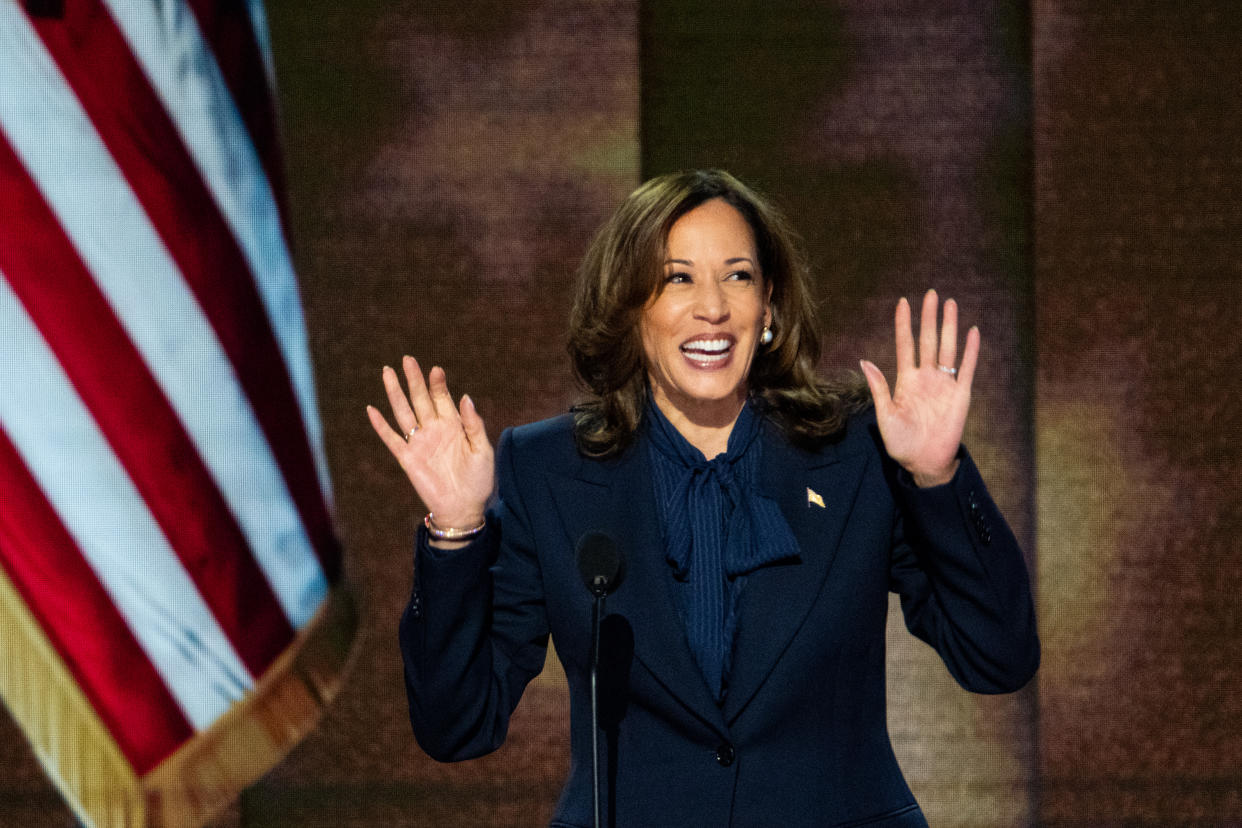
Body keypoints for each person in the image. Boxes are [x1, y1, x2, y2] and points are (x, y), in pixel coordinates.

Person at [367, 169, 1039, 827]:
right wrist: (455, 532)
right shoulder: (546, 469)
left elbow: (997, 659)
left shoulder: (857, 451)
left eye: (738, 276)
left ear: (768, 306)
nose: (712, 306)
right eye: (677, 277)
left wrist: (937, 477)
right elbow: (458, 727)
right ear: (630, 308)